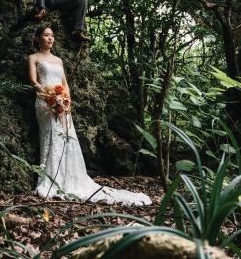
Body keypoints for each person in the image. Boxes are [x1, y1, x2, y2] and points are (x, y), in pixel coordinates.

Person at [27, 26, 152, 206]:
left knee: (67, 137)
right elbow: (33, 81)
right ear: (38, 37)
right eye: (46, 35)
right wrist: (50, 96)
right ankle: (50, 179)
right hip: (44, 102)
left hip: (62, 103)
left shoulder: (59, 60)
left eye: (53, 35)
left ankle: (68, 179)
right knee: (50, 137)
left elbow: (65, 84)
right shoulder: (33, 57)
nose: (50, 38)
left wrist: (66, 99)